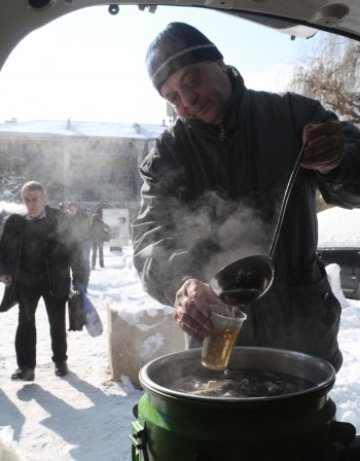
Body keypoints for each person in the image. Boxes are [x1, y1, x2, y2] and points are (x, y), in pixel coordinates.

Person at [132, 22, 360, 372]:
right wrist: (184, 282)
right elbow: (150, 238)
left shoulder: (295, 117)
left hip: (305, 331)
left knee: (304, 424)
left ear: (220, 62)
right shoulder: (168, 154)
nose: (187, 101)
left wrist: (339, 160)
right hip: (218, 334)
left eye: (192, 80)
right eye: (172, 96)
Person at [0, 181, 86, 381]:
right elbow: (3, 249)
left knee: (57, 322)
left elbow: (75, 250)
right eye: (27, 200)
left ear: (44, 199)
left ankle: (60, 361)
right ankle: (26, 368)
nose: (31, 204)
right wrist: (3, 271)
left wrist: (79, 279)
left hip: (54, 281)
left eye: (35, 199)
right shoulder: (16, 222)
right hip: (26, 282)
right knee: (25, 322)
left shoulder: (60, 219)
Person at [67, 202, 91, 290]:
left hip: (83, 243)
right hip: (73, 244)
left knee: (84, 264)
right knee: (74, 264)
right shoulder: (68, 219)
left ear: (77, 209)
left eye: (72, 209)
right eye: (69, 209)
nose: (71, 211)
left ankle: (83, 283)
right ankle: (76, 283)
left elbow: (86, 229)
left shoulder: (82, 217)